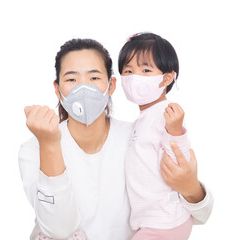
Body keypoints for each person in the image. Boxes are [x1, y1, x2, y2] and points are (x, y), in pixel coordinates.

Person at [18, 38, 213, 240]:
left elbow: (201, 214)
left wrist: (190, 188)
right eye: (71, 80)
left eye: (94, 78)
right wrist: (49, 145)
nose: (83, 88)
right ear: (58, 89)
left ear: (111, 86)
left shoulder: (138, 137)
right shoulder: (33, 150)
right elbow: (58, 229)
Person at [119, 32, 201, 239]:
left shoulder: (165, 113)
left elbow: (179, 162)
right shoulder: (142, 119)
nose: (134, 77)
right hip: (150, 222)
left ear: (166, 78)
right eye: (128, 70)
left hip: (164, 222)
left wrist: (175, 131)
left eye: (145, 70)